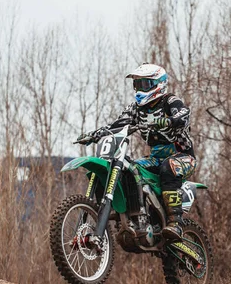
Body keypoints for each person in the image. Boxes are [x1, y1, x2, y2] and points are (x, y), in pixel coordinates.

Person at [78, 63, 196, 239]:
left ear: (159, 84)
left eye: (145, 84)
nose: (140, 89)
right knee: (128, 169)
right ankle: (135, 214)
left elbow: (184, 114)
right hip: (156, 158)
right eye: (138, 84)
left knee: (168, 167)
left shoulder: (170, 101)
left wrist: (169, 121)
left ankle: (175, 223)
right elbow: (117, 125)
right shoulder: (136, 108)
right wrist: (95, 135)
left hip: (182, 157)